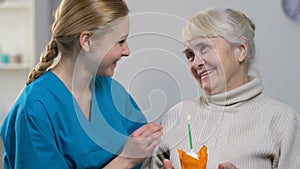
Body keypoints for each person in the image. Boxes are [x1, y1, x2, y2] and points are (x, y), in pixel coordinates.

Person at [0, 0, 163, 168]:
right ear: (87, 41)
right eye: (120, 42)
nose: (127, 51)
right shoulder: (35, 110)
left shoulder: (113, 92)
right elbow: (131, 157)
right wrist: (125, 160)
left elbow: (146, 155)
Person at [144, 8, 300, 169]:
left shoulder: (283, 120)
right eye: (190, 55)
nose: (196, 63)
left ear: (241, 50)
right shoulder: (176, 116)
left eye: (204, 48)